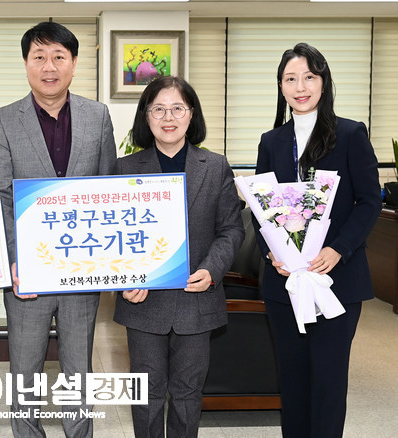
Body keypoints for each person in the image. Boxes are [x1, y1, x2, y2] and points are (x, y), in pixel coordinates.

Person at [0, 21, 116, 438]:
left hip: (82, 270)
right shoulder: (3, 120)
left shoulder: (98, 116)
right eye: (39, 57)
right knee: (25, 373)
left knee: (79, 373)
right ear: (26, 64)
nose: (49, 66)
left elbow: (108, 190)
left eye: (59, 56)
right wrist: (13, 260)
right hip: (28, 273)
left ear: (74, 63)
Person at [255, 42, 382, 438]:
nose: (300, 87)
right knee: (292, 382)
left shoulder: (350, 134)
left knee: (328, 381)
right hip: (285, 284)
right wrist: (272, 253)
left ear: (323, 82)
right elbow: (261, 207)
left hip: (335, 281)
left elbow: (369, 201)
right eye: (290, 79)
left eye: (309, 77)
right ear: (280, 86)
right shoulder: (271, 141)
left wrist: (338, 248)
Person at [114, 76, 244, 438]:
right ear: (146, 116)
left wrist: (212, 270)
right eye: (158, 109)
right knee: (146, 394)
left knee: (187, 394)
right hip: (143, 302)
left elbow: (231, 230)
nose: (168, 117)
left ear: (192, 115)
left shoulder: (215, 166)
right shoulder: (124, 168)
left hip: (196, 300)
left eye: (177, 108)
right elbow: (114, 236)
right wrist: (125, 279)